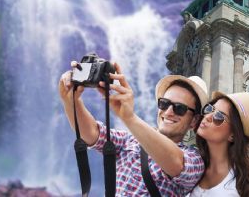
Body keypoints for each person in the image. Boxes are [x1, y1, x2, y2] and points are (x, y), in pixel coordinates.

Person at [58, 61, 207, 196]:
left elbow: (177, 163)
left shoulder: (195, 160)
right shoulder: (130, 140)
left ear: (194, 121)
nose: (168, 112)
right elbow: (92, 134)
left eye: (179, 108)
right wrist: (71, 100)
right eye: (164, 103)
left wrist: (129, 117)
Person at [188, 92, 249, 197]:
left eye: (219, 117)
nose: (208, 116)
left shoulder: (248, 171)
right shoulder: (192, 162)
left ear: (232, 135)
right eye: (210, 109)